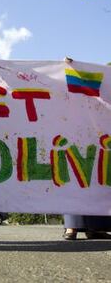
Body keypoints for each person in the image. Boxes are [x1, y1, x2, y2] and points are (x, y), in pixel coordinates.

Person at [62, 57, 111, 240]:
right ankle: (71, 227)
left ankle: (95, 229)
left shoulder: (99, 103)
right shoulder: (67, 104)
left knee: (97, 183)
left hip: (96, 141)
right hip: (73, 142)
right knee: (74, 182)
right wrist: (66, 68)